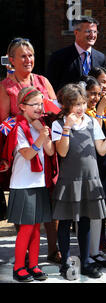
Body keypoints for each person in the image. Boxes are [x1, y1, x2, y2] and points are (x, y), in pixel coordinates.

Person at [51, 83, 106, 279]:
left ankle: (86, 261)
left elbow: (101, 150)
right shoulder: (58, 124)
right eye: (76, 104)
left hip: (90, 180)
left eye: (83, 103)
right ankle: (65, 262)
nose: (81, 107)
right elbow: (62, 151)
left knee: (85, 222)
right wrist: (67, 127)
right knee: (65, 222)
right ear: (66, 105)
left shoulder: (91, 122)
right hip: (69, 181)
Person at [0, 37, 61, 264]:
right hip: (22, 150)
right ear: (12, 60)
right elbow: (3, 121)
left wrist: (46, 114)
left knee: (50, 197)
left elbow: (56, 111)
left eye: (31, 55)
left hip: (46, 146)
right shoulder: (6, 86)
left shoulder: (42, 81)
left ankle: (53, 249)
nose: (28, 59)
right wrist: (26, 123)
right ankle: (24, 252)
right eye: (23, 56)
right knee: (26, 202)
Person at [1, 88, 57, 282]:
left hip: (39, 183)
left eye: (41, 104)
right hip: (22, 184)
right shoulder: (18, 127)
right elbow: (27, 154)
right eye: (34, 104)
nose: (39, 108)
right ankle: (18, 267)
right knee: (26, 228)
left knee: (36, 228)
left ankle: (33, 264)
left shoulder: (40, 124)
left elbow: (49, 152)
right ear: (22, 106)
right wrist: (41, 136)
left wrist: (44, 133)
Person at [82, 77, 106, 268]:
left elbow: (103, 136)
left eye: (98, 93)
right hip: (84, 166)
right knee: (85, 215)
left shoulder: (95, 111)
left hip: (100, 164)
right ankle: (86, 253)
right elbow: (92, 130)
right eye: (92, 93)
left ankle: (95, 252)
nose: (96, 97)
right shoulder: (81, 112)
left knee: (98, 211)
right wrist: (101, 109)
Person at [46, 17, 106, 92]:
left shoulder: (100, 58)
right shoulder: (59, 56)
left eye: (95, 32)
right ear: (76, 33)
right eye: (88, 31)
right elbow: (50, 86)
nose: (92, 35)